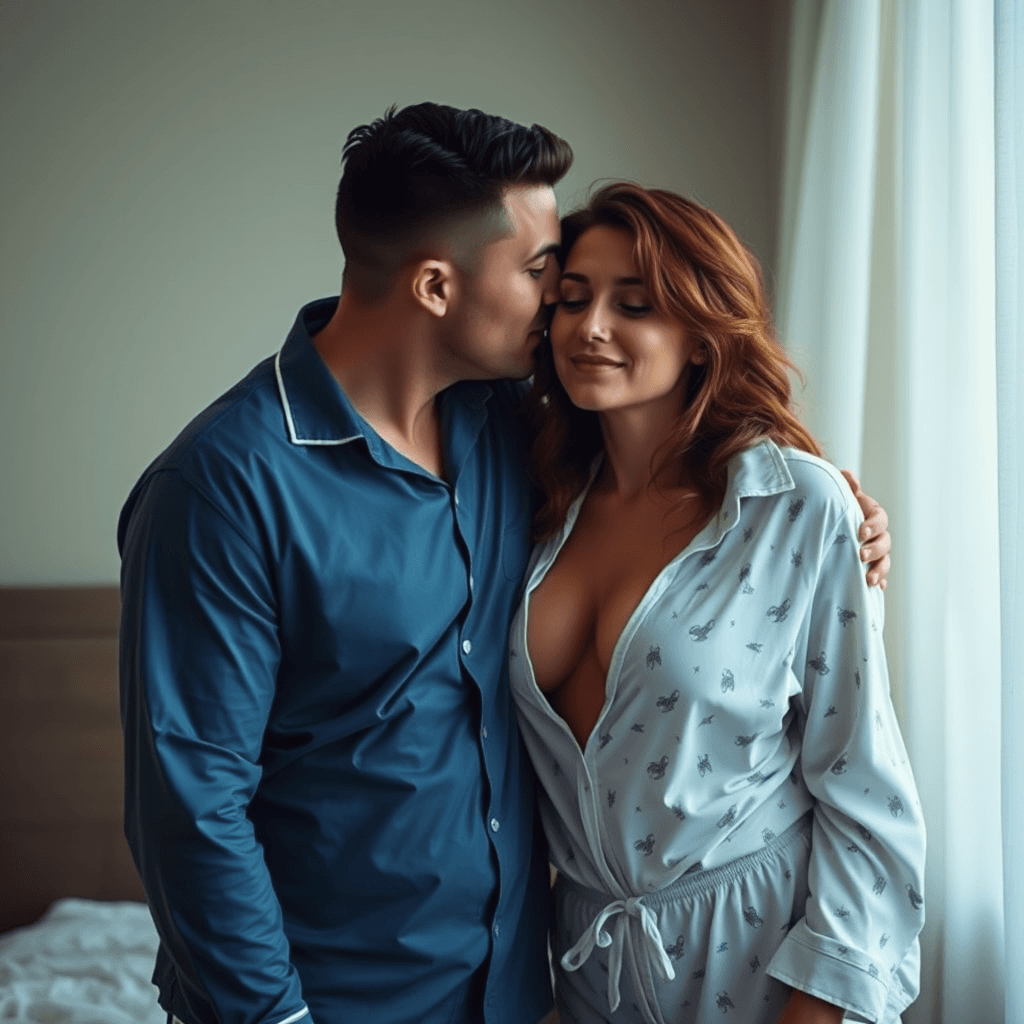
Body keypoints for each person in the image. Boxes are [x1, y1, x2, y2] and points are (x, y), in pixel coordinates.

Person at [117, 103, 892, 1024]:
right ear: (438, 288)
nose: (568, 313)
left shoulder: (509, 434)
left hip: (522, 991)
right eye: (543, 278)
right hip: (330, 1000)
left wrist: (841, 513)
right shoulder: (219, 489)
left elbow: (684, 468)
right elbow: (191, 809)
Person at [509, 183, 924, 1024]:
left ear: (701, 336)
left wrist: (816, 1009)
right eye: (572, 299)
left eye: (635, 305)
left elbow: (863, 790)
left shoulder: (796, 507)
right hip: (589, 965)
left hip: (760, 953)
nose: (591, 328)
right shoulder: (528, 499)